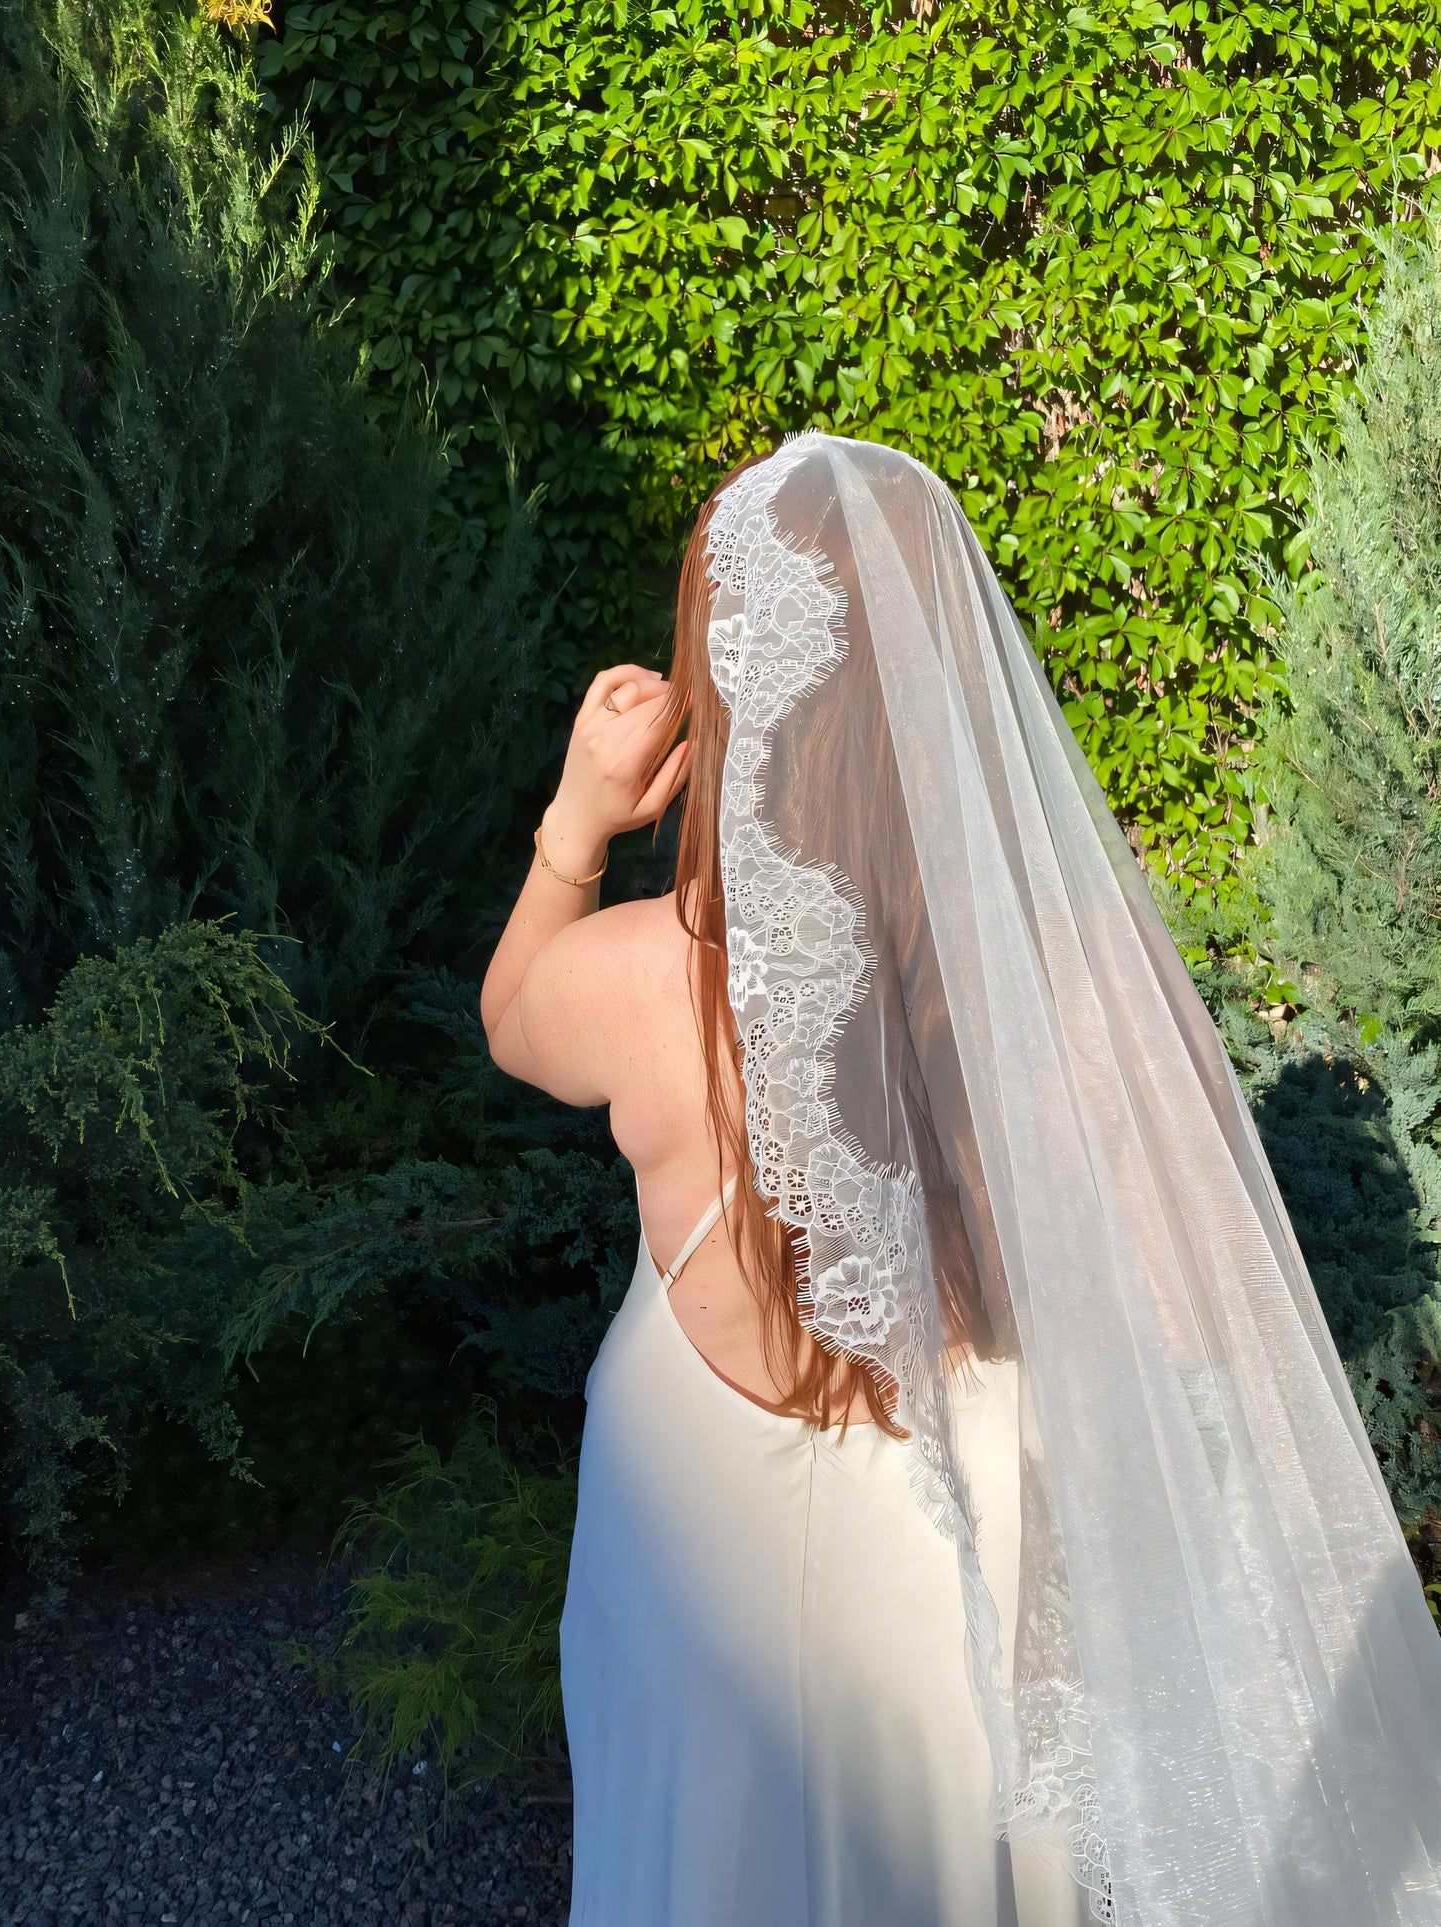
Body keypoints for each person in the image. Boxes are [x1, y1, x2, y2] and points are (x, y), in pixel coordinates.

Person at [482, 433, 1441, 1927]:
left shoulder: (646, 985)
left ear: (726, 678)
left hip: (689, 1621)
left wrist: (575, 823)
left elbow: (510, 1019)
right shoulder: (1069, 1000)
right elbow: (1196, 1324)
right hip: (966, 1605)